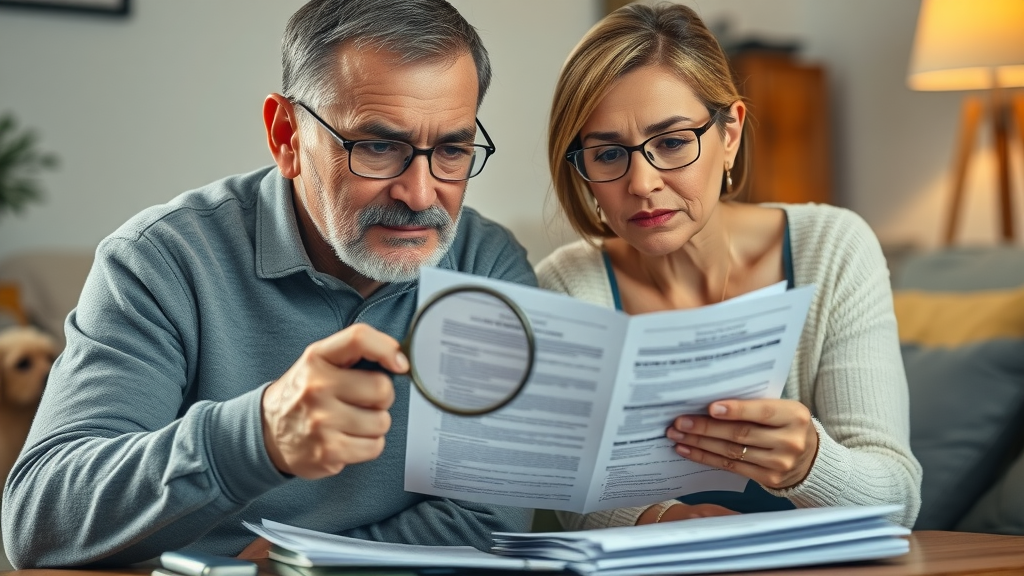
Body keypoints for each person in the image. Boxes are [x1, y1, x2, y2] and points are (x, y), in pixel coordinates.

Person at [1, 0, 535, 568]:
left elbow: (493, 519)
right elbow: (40, 519)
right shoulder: (159, 262)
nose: (422, 195)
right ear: (287, 136)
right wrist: (257, 437)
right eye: (377, 147)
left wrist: (300, 563)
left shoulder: (487, 264)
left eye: (452, 150)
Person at [536, 3, 921, 530]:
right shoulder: (567, 286)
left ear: (730, 134)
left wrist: (810, 462)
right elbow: (574, 496)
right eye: (607, 154)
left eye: (671, 143)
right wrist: (662, 519)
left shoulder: (832, 248)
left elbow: (899, 502)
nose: (642, 183)